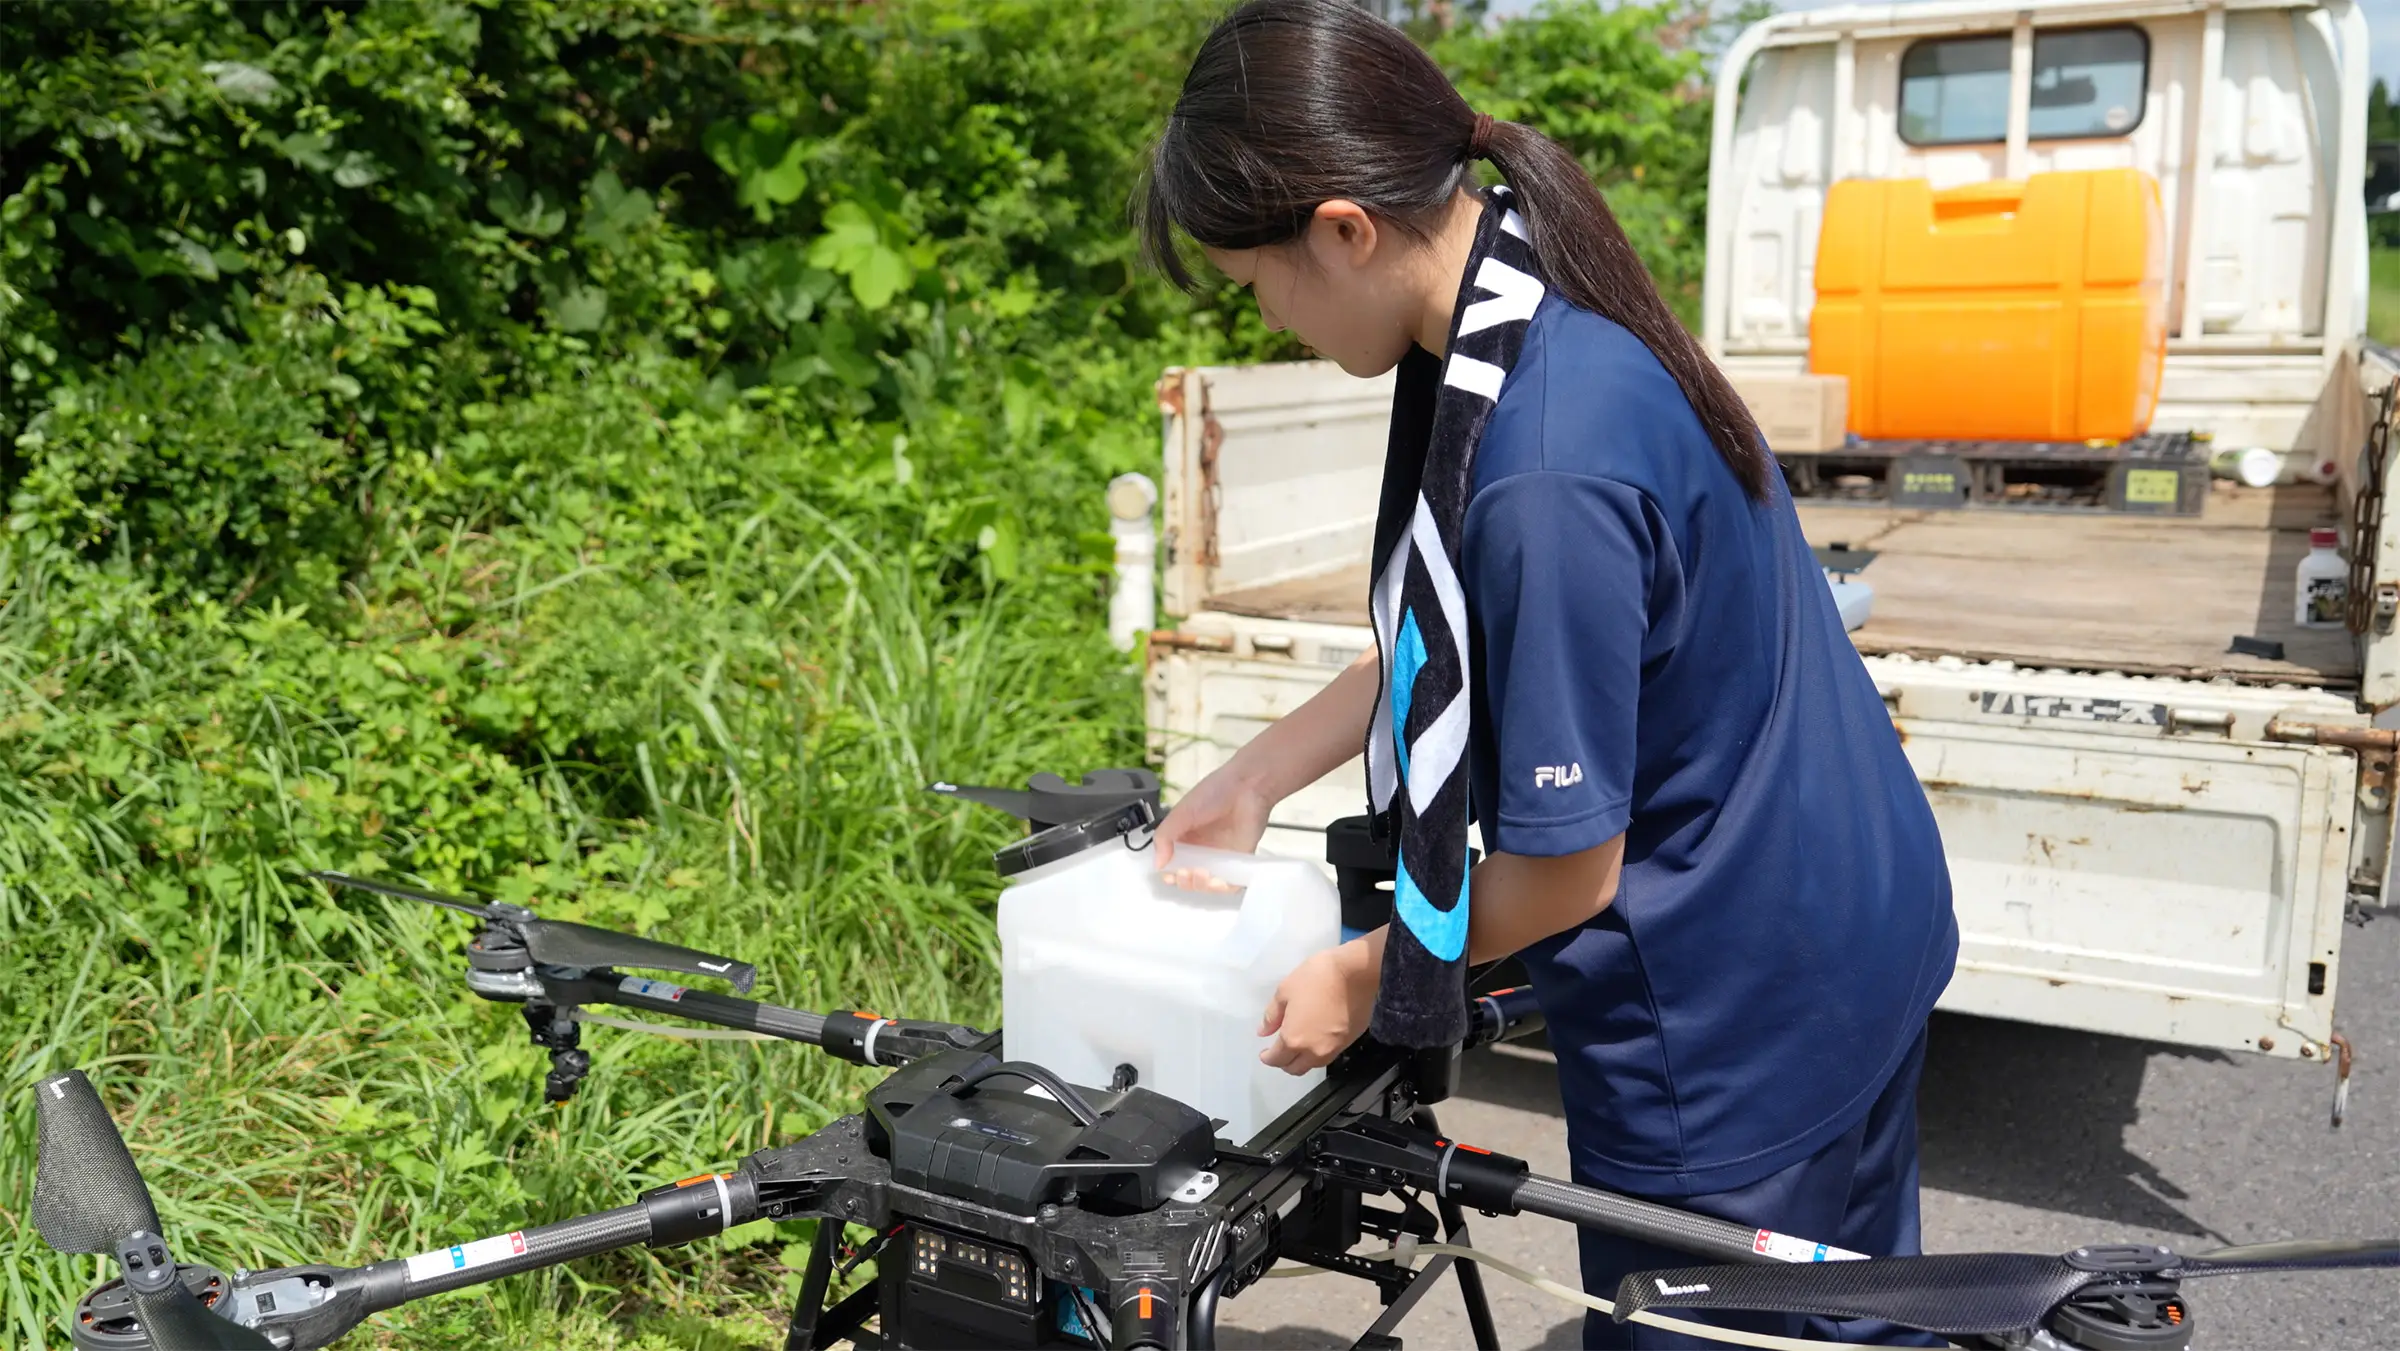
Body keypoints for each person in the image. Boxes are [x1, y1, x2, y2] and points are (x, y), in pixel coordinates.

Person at [1133, 2, 1960, 1347]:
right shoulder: (1536, 300)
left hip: (1736, 1009)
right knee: (1864, 1315)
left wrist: (1363, 974)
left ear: (1344, 228)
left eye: (1256, 282)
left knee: (1729, 1325)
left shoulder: (1543, 467)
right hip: (1852, 908)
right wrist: (1253, 774)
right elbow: (1453, 636)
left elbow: (1570, 872)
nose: (1270, 318)